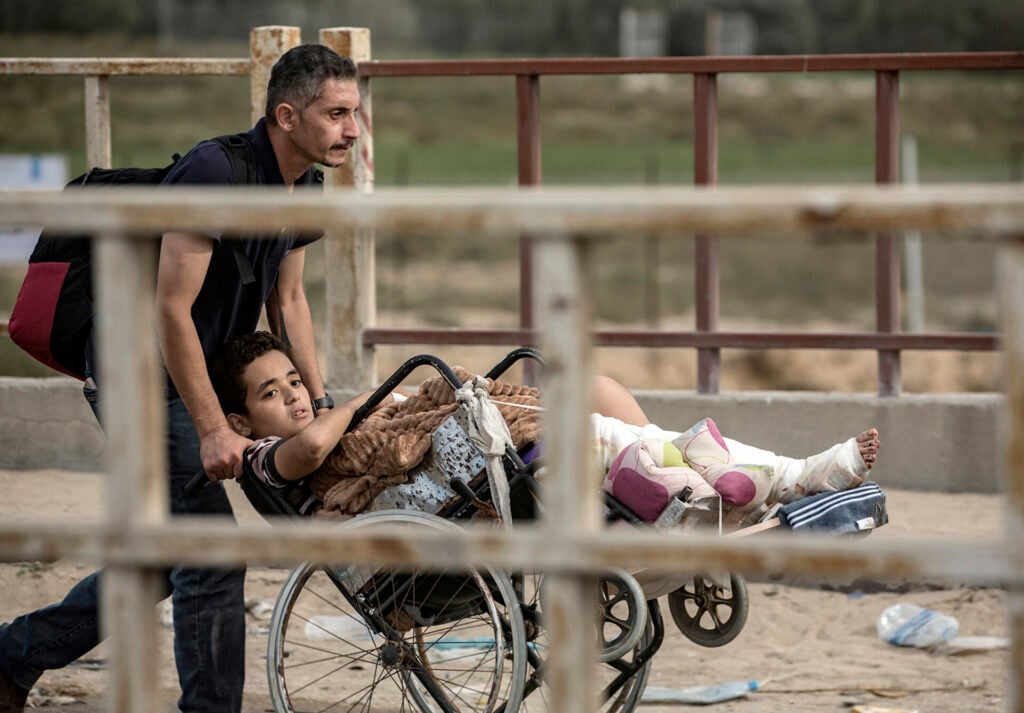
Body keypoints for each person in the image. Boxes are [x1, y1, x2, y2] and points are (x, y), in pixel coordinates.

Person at [0, 44, 361, 713]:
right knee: (210, 549)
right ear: (287, 115)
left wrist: (318, 397)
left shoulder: (304, 188)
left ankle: (13, 655)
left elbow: (291, 302)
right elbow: (168, 308)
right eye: (336, 113)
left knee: (168, 559)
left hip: (194, 368)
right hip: (137, 367)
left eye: (355, 113)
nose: (353, 129)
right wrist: (212, 426)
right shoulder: (214, 173)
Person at [207, 331, 881, 520]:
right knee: (591, 431)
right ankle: (790, 476)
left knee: (598, 389)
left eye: (295, 380)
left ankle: (701, 471)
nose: (295, 397)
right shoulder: (267, 458)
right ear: (241, 418)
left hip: (451, 466)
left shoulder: (317, 417)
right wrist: (345, 406)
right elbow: (321, 444)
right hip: (423, 493)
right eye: (273, 393)